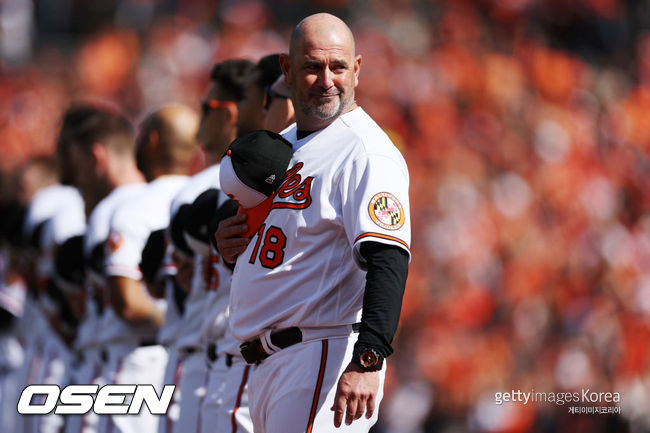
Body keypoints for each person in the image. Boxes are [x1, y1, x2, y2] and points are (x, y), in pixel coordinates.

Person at [216, 13, 411, 433]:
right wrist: (231, 243)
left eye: (338, 67)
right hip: (268, 364)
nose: (327, 79)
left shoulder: (365, 151)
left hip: (320, 354)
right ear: (287, 70)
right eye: (312, 67)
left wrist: (369, 359)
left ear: (356, 69)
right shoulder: (285, 144)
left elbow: (388, 259)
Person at [159, 58, 254, 433]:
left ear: (230, 112)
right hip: (222, 354)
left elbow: (173, 286)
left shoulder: (198, 188)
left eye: (206, 108)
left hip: (207, 356)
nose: (200, 119)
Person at [100, 104, 197, 433]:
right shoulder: (207, 197)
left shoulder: (132, 207)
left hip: (138, 366)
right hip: (196, 365)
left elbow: (127, 303)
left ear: (153, 141)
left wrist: (178, 319)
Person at [55, 103, 147, 433]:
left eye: (78, 168)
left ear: (97, 158)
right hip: (161, 365)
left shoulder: (110, 211)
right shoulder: (164, 198)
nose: (75, 181)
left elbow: (121, 305)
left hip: (116, 366)